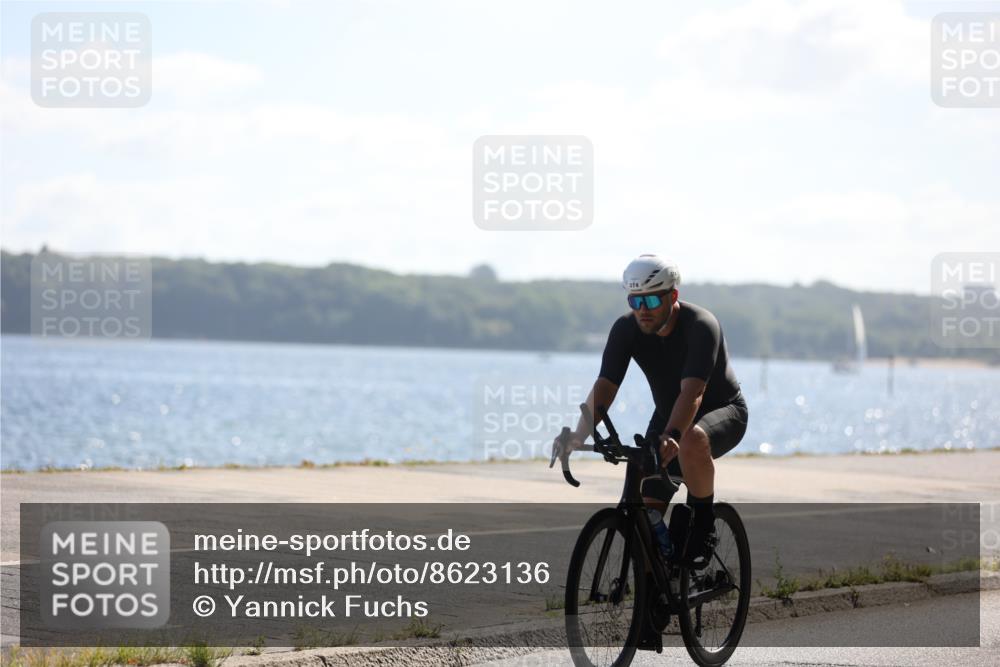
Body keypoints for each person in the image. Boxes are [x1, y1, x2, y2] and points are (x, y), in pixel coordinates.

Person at [561, 254, 748, 567]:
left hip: (722, 411)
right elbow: (605, 387)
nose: (642, 311)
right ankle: (656, 598)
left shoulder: (701, 326)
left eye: (650, 300)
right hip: (668, 416)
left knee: (691, 442)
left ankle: (702, 530)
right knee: (648, 516)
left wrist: (673, 435)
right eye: (635, 301)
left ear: (672, 296)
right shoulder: (626, 329)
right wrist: (578, 435)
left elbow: (694, 392)